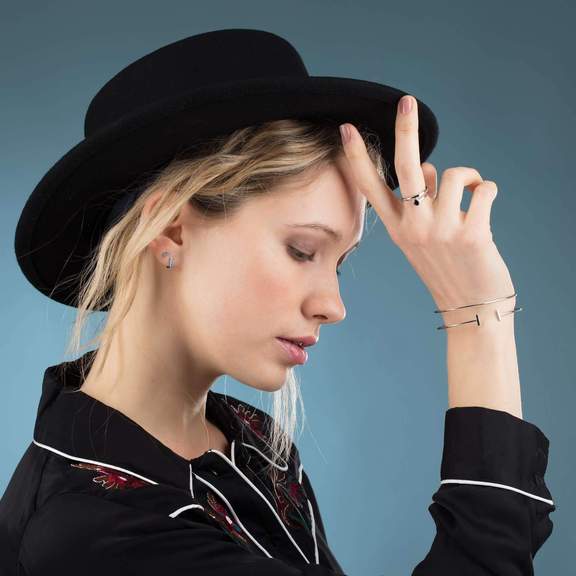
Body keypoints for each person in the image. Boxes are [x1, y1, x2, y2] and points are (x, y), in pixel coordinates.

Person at [0, 29, 555, 575]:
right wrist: (478, 317)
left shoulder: (252, 441)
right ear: (170, 229)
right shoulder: (96, 531)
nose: (333, 306)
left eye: (339, 262)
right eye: (302, 250)